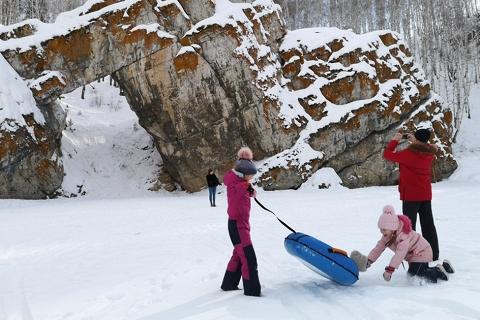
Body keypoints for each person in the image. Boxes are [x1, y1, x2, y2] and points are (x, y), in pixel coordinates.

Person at [356, 205, 453, 283]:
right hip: (413, 256)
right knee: (415, 273)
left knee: (415, 276)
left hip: (422, 252)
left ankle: (438, 271)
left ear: (392, 227)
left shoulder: (403, 236)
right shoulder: (387, 236)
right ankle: (445, 267)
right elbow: (378, 248)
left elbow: (400, 254)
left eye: (384, 229)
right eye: (380, 229)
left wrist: (390, 269)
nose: (382, 232)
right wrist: (368, 261)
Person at [383, 128, 440, 261]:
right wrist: (416, 141)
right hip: (425, 194)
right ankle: (433, 254)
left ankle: (412, 255)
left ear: (417, 139)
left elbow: (387, 154)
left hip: (410, 196)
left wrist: (395, 140)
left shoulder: (409, 153)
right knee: (428, 225)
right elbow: (426, 147)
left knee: (409, 228)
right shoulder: (429, 153)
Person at [220, 147, 261, 296]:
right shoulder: (240, 185)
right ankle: (252, 290)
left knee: (239, 254)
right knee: (249, 258)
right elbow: (244, 188)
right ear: (243, 174)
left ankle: (229, 284)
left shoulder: (237, 183)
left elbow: (245, 188)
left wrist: (249, 188)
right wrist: (249, 188)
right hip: (238, 225)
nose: (251, 178)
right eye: (250, 175)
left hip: (239, 224)